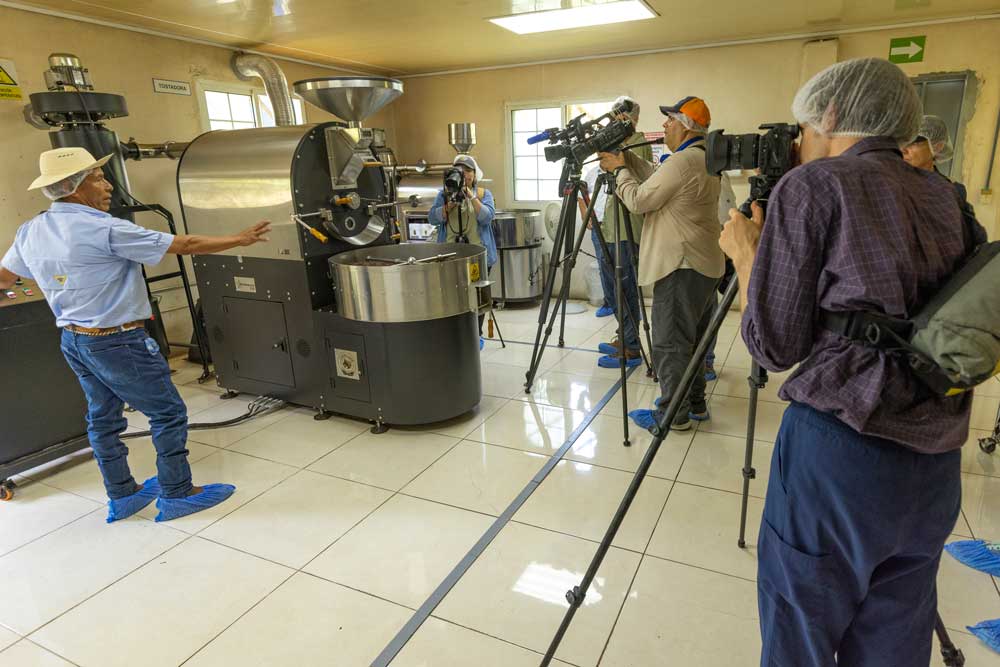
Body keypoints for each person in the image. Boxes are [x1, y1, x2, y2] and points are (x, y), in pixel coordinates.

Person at [720, 58, 982, 666]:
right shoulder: (949, 198)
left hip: (840, 458)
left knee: (801, 638)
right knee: (895, 642)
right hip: (935, 460)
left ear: (832, 114)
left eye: (804, 126)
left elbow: (772, 347)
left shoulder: (814, 186)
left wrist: (745, 256)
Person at [0, 147, 272, 523]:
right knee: (168, 413)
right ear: (75, 187)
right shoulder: (104, 228)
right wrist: (238, 240)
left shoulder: (31, 229)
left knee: (103, 420)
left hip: (75, 341)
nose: (108, 184)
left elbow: (4, 278)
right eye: (97, 177)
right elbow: (185, 245)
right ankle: (177, 493)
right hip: (118, 340)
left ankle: (122, 494)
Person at [599, 96, 723, 431]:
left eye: (670, 120)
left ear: (685, 126)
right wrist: (628, 162)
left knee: (670, 343)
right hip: (703, 263)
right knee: (693, 340)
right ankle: (695, 404)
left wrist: (619, 170)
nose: (665, 125)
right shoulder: (701, 158)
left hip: (680, 265)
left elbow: (640, 200)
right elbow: (658, 177)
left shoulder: (682, 163)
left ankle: (672, 414)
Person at [428, 154, 497, 342]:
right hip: (450, 256)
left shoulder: (483, 194)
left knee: (478, 294)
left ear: (475, 175)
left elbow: (487, 217)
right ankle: (456, 334)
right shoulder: (443, 195)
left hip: (478, 256)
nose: (464, 174)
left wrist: (471, 197)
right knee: (452, 294)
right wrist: (450, 204)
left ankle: (477, 335)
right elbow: (432, 218)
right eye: (459, 171)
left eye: (468, 171)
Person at [903, 114, 986, 245]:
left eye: (914, 143)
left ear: (937, 147)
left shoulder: (953, 189)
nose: (904, 150)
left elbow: (966, 236)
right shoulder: (894, 184)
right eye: (903, 142)